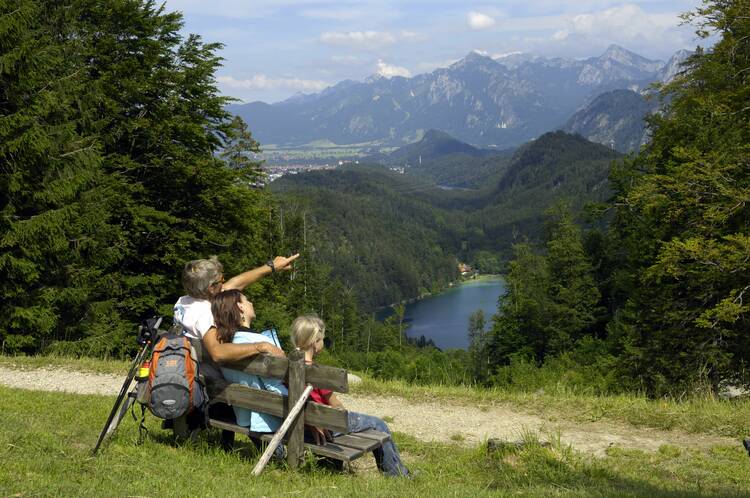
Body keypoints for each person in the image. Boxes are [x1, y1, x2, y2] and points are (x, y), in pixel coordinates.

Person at [290, 315, 410, 477]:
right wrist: (345, 417)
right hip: (326, 425)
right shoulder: (318, 374)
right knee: (379, 424)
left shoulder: (286, 366)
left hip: (300, 427)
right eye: (322, 339)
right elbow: (336, 406)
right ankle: (398, 475)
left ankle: (331, 466)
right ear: (315, 342)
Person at [173, 254, 298, 366]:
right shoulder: (205, 314)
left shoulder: (184, 301)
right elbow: (217, 353)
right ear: (211, 288)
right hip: (205, 379)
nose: (224, 283)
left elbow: (235, 284)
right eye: (221, 280)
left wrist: (271, 267)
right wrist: (260, 346)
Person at [210, 289, 287, 434]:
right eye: (247, 300)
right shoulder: (259, 342)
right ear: (240, 307)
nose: (251, 303)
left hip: (243, 414)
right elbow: (275, 386)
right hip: (269, 418)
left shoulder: (226, 347)